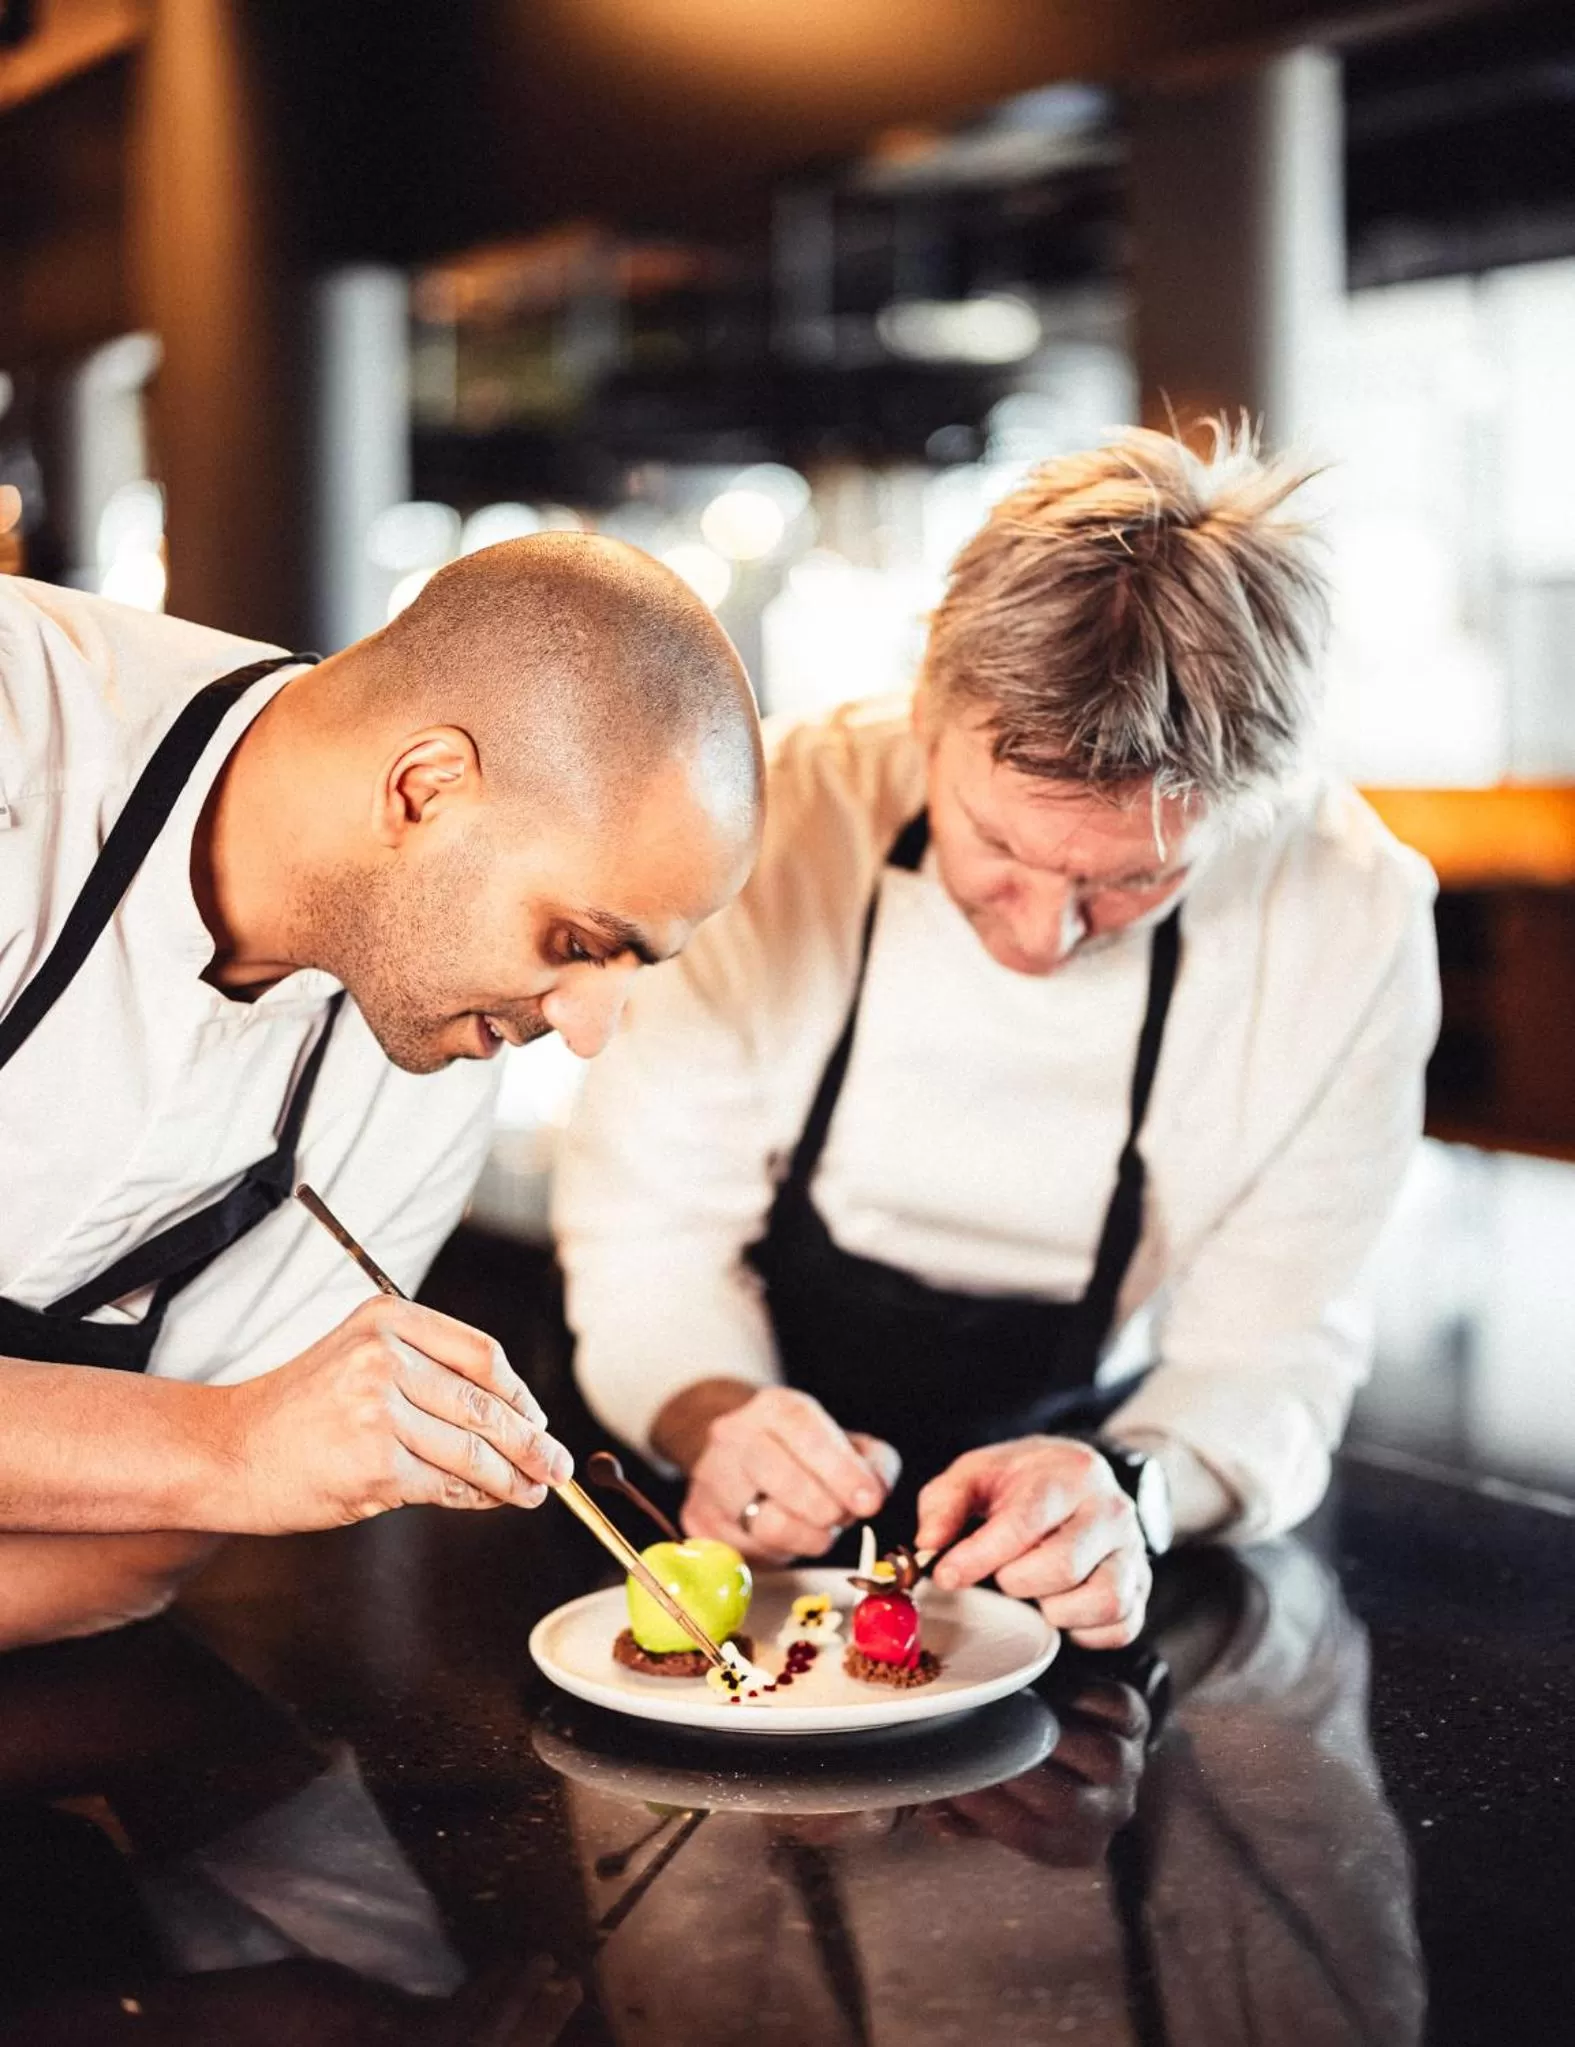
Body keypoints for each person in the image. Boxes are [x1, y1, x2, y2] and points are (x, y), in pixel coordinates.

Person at [555, 426, 1440, 1651]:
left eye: (1132, 882)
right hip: (744, 1521)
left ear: (1247, 809)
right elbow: (647, 1243)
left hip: (1100, 1517)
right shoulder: (766, 825)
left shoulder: (1349, 915)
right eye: (1001, 847)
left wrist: (1135, 1487)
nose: (1041, 936)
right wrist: (714, 1415)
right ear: (929, 708)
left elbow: (1273, 1350)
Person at [0, 534, 763, 1648]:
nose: (589, 1033)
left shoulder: (430, 1085)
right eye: (576, 941)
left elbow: (140, 1547)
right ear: (424, 787)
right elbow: (222, 1471)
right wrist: (230, 1443)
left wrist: (209, 1466)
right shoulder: (22, 738)